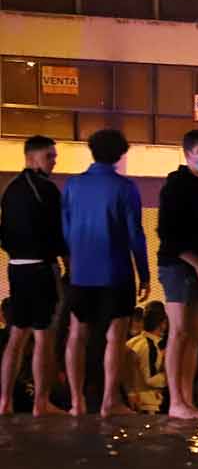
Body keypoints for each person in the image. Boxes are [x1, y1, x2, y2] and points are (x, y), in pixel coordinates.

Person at [61, 129, 149, 418]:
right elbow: (135, 233)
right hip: (115, 271)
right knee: (115, 336)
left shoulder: (72, 186)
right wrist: (144, 273)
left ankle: (76, 402)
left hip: (80, 273)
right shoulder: (125, 188)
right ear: (120, 154)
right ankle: (110, 401)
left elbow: (65, 228)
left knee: (77, 334)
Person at [0, 135, 67, 416]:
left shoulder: (10, 189)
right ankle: (41, 402)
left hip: (16, 268)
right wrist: (68, 263)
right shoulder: (47, 190)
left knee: (16, 336)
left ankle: (4, 401)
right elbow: (58, 233)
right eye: (50, 156)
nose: (54, 161)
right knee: (44, 337)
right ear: (33, 156)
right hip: (41, 269)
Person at [155, 128, 198, 419]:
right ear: (188, 153)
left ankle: (188, 399)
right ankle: (176, 401)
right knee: (178, 332)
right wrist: (196, 263)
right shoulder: (177, 185)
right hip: (178, 266)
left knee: (194, 334)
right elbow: (167, 234)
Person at [124, 303, 168, 414]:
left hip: (135, 400)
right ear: (162, 323)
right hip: (147, 404)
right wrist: (169, 373)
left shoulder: (134, 341)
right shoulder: (150, 346)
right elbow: (150, 379)